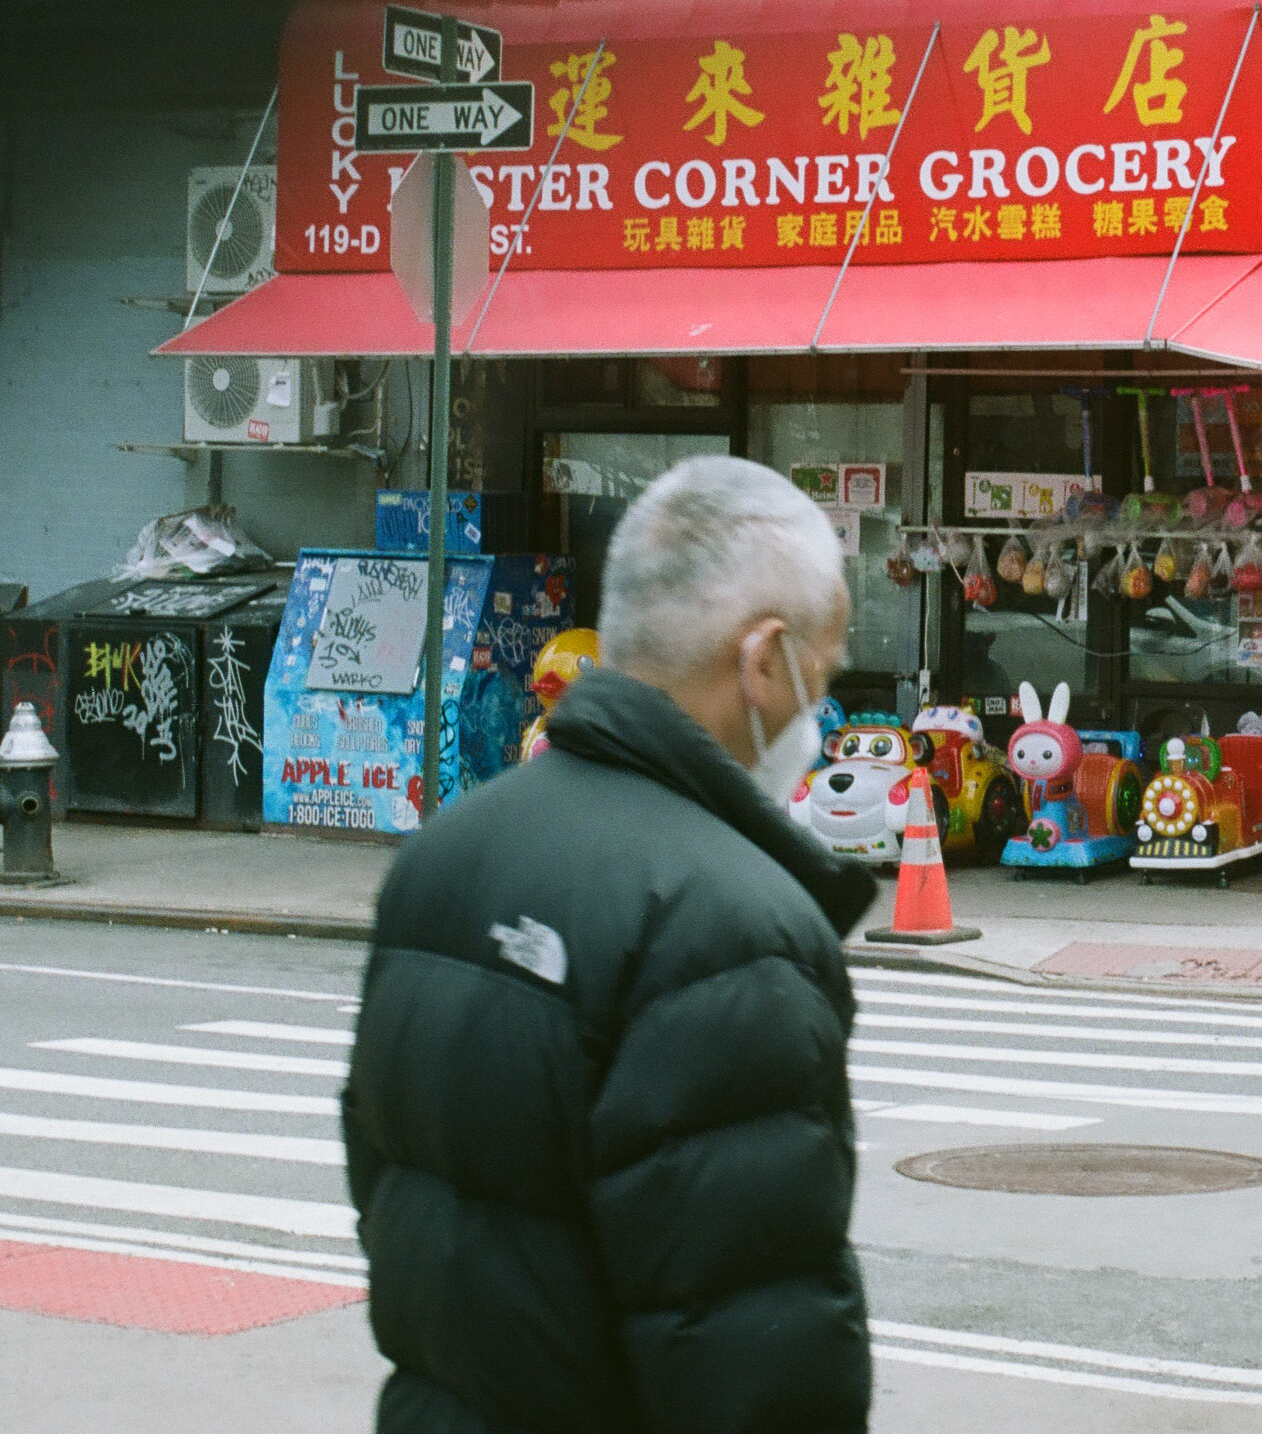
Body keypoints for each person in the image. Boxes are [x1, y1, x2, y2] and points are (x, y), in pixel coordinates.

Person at [343, 455, 879, 1433]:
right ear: (765, 658)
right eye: (824, 674)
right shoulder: (729, 927)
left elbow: (388, 1186)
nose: (821, 713)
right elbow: (752, 1350)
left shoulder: (445, 854)